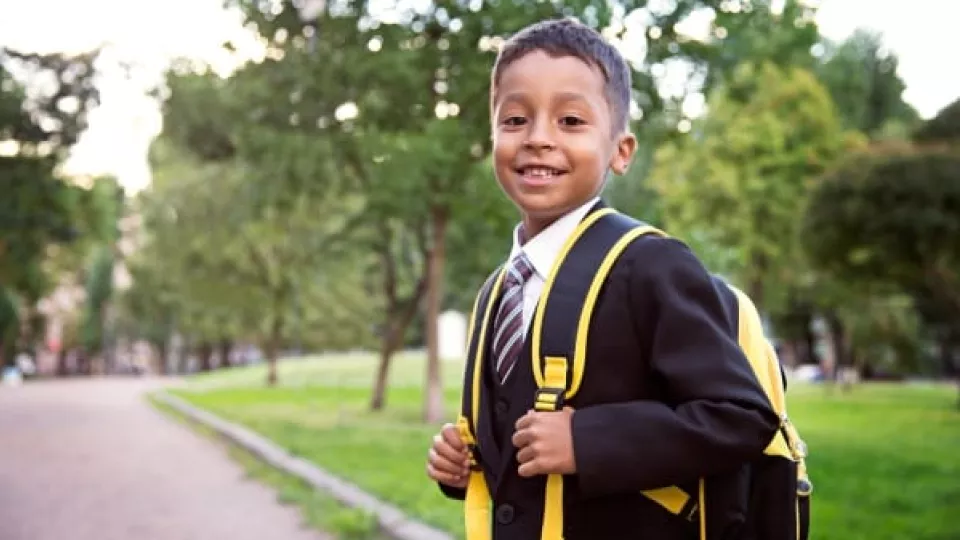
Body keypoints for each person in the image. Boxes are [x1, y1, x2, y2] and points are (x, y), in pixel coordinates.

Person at [425, 18, 781, 540]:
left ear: (621, 151)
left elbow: (742, 416)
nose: (538, 139)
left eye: (570, 121)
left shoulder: (651, 267)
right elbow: (520, 454)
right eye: (515, 119)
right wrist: (466, 465)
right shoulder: (497, 291)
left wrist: (588, 441)